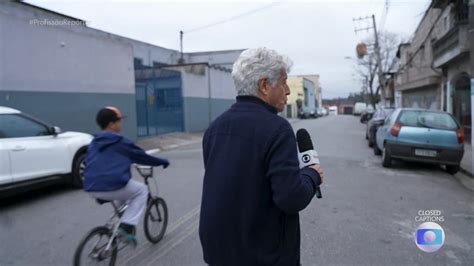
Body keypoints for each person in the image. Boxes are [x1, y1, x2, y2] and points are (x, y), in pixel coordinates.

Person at [199, 47, 325, 266]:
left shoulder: (214, 129)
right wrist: (312, 176)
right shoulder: (277, 129)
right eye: (283, 82)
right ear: (264, 86)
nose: (287, 91)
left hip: (218, 253)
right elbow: (291, 198)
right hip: (264, 256)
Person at [83, 106, 169, 243]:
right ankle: (127, 227)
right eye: (118, 121)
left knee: (122, 191)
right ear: (111, 124)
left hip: (91, 186)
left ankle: (121, 221)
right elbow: (141, 156)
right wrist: (162, 162)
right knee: (141, 190)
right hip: (111, 185)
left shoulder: (94, 142)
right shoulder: (120, 141)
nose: (120, 124)